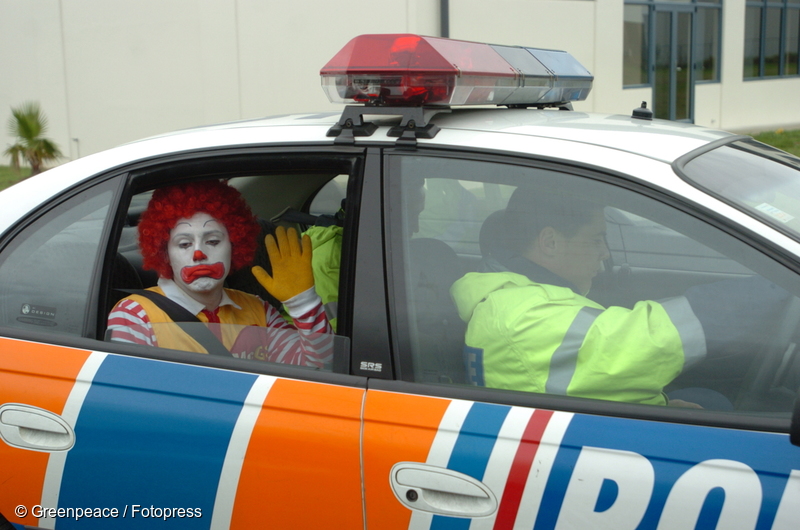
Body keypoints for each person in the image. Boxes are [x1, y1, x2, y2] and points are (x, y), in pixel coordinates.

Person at [450, 187, 788, 407]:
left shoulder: (510, 296)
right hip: (573, 449)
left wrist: (665, 403)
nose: (605, 253)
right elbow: (651, 339)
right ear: (550, 242)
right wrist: (780, 285)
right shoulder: (528, 317)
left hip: (571, 425)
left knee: (706, 401)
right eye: (597, 239)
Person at [108, 180, 332, 368]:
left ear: (234, 245)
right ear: (165, 253)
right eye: (184, 244)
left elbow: (319, 367)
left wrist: (303, 302)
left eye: (213, 241)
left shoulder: (258, 310)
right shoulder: (135, 315)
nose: (199, 254)